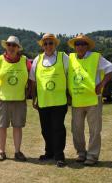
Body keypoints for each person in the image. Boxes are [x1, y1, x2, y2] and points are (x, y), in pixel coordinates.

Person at [67, 34, 112, 166]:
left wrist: (102, 84)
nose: (80, 46)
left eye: (83, 44)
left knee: (94, 130)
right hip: (77, 100)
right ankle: (81, 153)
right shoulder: (70, 58)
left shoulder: (96, 57)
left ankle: (92, 156)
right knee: (76, 129)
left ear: (87, 46)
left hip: (93, 100)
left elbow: (111, 69)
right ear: (74, 46)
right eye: (77, 44)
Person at [0, 36, 31, 161]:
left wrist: (29, 91)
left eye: (14, 45)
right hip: (2, 100)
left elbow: (33, 76)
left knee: (17, 127)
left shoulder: (25, 60)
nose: (11, 47)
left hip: (19, 99)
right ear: (6, 46)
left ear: (18, 48)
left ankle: (17, 152)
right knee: (2, 127)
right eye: (9, 45)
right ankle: (1, 152)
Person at [30, 33, 69, 167]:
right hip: (43, 101)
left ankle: (59, 156)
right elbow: (33, 81)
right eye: (45, 43)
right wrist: (34, 98)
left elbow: (70, 76)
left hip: (59, 101)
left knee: (58, 128)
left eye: (50, 43)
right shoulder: (37, 59)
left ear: (55, 44)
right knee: (45, 129)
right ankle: (49, 152)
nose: (48, 46)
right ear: (42, 45)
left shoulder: (63, 57)